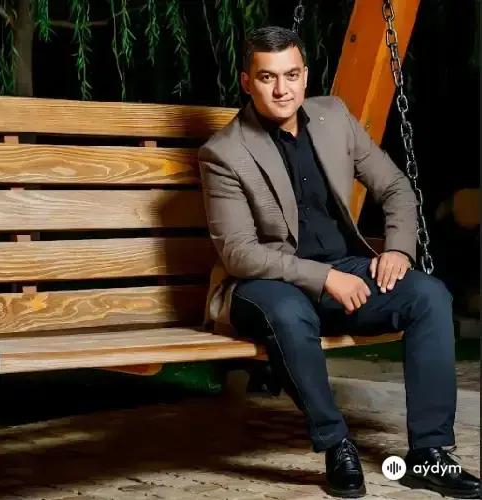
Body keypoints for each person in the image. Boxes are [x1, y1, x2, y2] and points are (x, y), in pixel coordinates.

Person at [198, 26, 480, 499]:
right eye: (267, 77)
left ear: (305, 76)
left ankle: (429, 454)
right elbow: (240, 253)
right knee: (288, 311)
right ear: (247, 82)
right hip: (264, 283)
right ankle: (336, 444)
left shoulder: (334, 118)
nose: (282, 89)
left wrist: (397, 249)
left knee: (429, 295)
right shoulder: (224, 153)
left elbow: (395, 187)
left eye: (291, 75)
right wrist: (324, 277)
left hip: (346, 272)